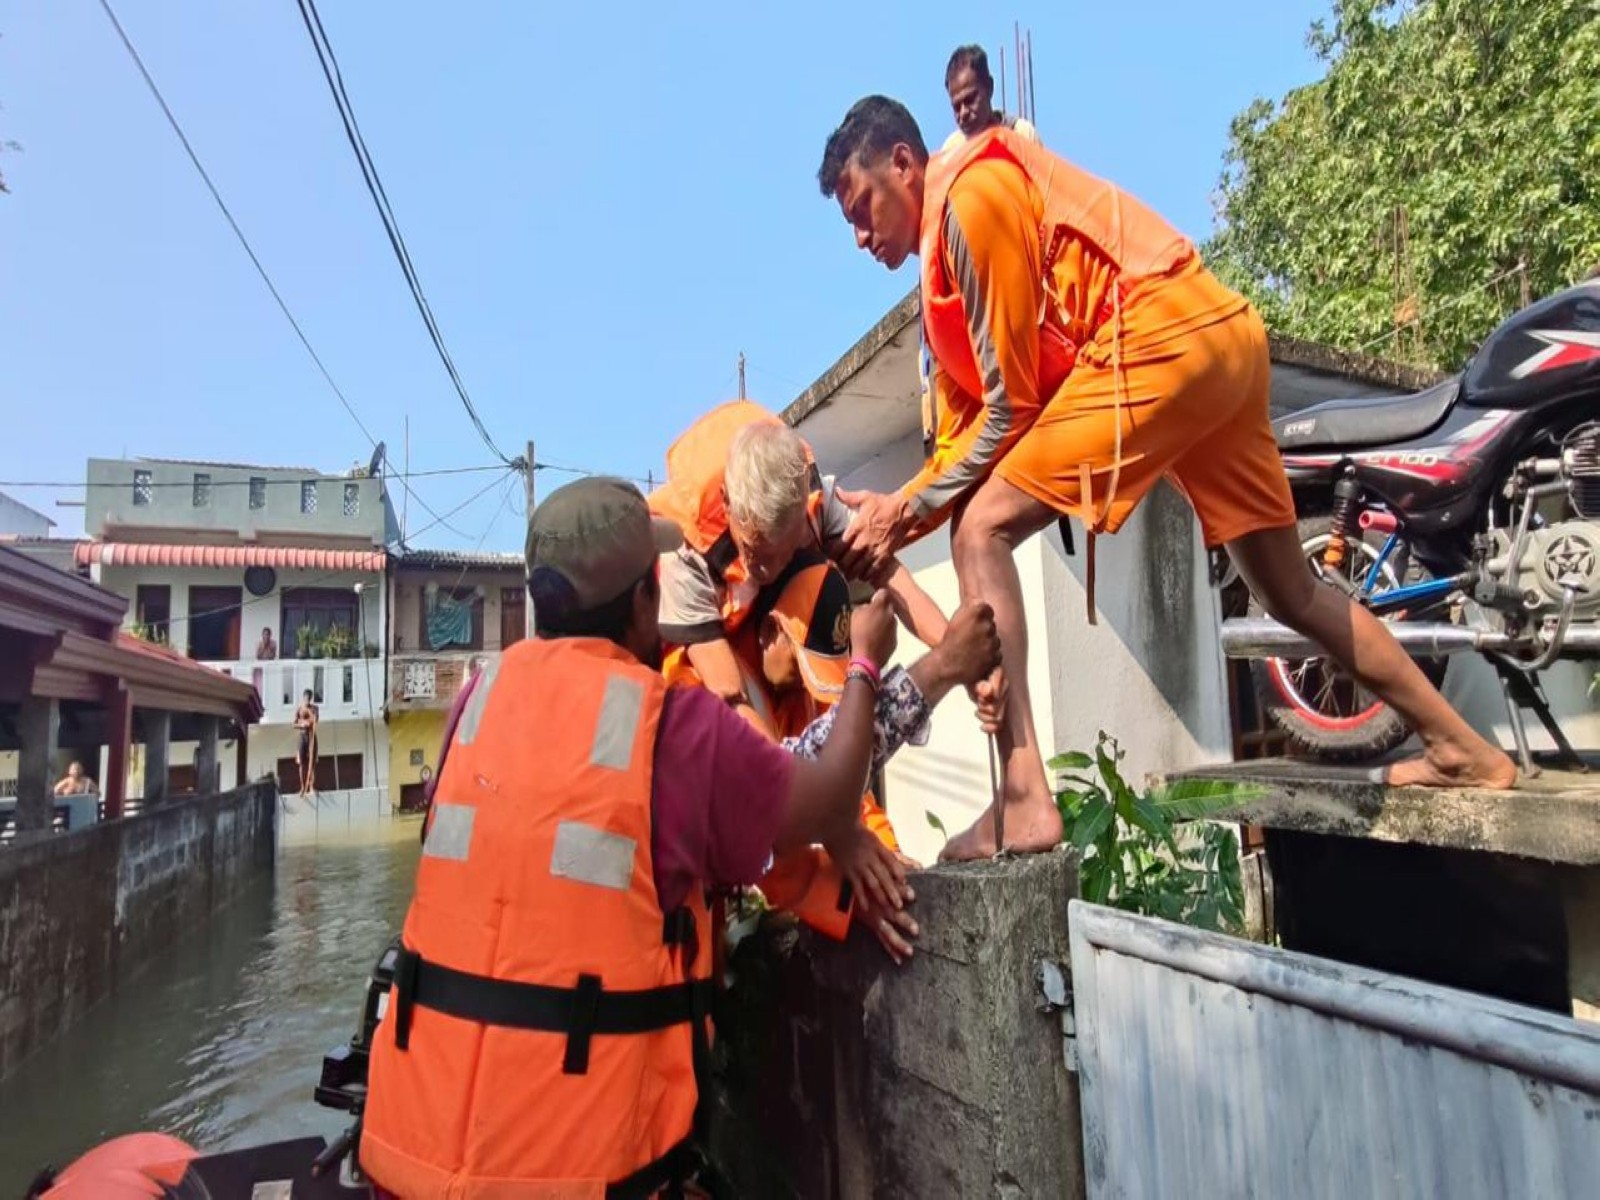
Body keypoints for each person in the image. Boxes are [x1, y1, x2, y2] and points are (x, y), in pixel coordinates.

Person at [815, 96, 1516, 860]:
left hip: (1157, 340)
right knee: (1292, 594)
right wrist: (897, 514)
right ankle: (1461, 747)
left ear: (904, 164)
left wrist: (904, 511)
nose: (859, 237)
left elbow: (1009, 411)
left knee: (979, 525)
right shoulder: (944, 284)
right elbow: (960, 446)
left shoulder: (971, 200)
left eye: (862, 208)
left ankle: (1024, 801)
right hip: (1219, 338)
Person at [359, 476, 1002, 1196]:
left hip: (402, 1155)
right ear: (645, 600)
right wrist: (870, 663)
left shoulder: (474, 703)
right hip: (574, 1176)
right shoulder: (669, 728)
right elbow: (821, 799)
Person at [651, 402, 952, 713]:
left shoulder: (816, 502)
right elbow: (727, 691)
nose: (768, 570)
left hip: (778, 666)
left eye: (786, 551)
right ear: (728, 504)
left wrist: (957, 652)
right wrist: (794, 764)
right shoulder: (684, 553)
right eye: (756, 552)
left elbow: (889, 573)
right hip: (703, 695)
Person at [940, 44, 1039, 152]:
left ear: (989, 87)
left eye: (970, 100)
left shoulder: (1022, 134)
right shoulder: (952, 150)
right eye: (956, 107)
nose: (963, 113)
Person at [292, 691, 318, 798]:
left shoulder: (314, 708)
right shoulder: (299, 709)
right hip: (302, 736)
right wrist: (302, 725)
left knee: (312, 762)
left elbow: (315, 720)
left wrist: (309, 714)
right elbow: (293, 724)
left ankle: (311, 786)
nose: (307, 699)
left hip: (312, 736)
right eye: (306, 697)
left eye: (309, 698)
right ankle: (302, 787)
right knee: (302, 762)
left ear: (311, 698)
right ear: (303, 697)